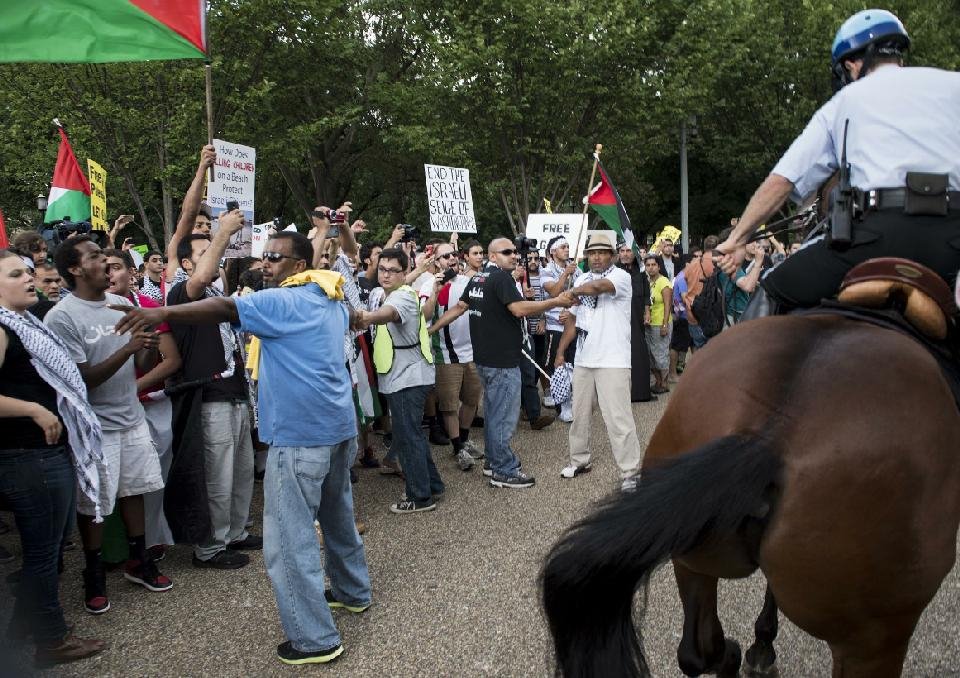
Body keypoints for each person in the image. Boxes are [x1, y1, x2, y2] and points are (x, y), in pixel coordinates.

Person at [110, 231, 370, 666]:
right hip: (338, 427)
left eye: (276, 258)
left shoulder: (284, 301)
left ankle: (314, 639)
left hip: (301, 435)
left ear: (300, 264)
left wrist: (164, 312)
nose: (265, 263)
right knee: (338, 514)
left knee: (289, 539)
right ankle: (353, 592)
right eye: (264, 256)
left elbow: (226, 307)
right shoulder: (330, 295)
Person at [716, 10, 960, 313]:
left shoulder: (846, 100)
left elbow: (782, 181)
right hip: (952, 241)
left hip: (876, 237)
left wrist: (738, 239)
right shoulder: (954, 85)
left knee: (771, 287)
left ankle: (743, 361)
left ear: (851, 64)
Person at [45, 236, 171, 614]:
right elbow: (81, 379)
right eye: (96, 257)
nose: (106, 263)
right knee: (96, 503)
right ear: (74, 268)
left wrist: (146, 345)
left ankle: (138, 561)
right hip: (94, 426)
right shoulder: (62, 317)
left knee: (134, 490)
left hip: (131, 417)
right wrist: (129, 348)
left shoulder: (122, 305)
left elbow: (144, 364)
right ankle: (94, 573)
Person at [0, 250, 106, 667]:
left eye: (28, 272)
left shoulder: (25, 324)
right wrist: (34, 409)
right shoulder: (3, 328)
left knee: (50, 548)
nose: (28, 278)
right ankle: (50, 638)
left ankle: (20, 630)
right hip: (27, 458)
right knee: (44, 554)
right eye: (15, 274)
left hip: (45, 454)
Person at [430, 238, 574, 489]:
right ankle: (503, 470)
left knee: (495, 413)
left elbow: (460, 307)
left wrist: (431, 329)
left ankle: (493, 462)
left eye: (515, 252)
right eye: (507, 252)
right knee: (503, 417)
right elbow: (518, 309)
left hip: (485, 359)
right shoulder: (500, 278)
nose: (514, 256)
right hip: (501, 361)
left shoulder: (478, 278)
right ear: (492, 256)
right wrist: (555, 302)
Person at [168, 208, 259, 570]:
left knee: (241, 470)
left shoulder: (220, 300)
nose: (216, 258)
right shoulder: (181, 293)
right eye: (206, 253)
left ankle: (234, 532)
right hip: (210, 398)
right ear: (188, 265)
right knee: (217, 476)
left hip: (236, 393)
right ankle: (209, 547)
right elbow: (204, 274)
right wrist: (222, 232)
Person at [105, 249, 182, 560]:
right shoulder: (82, 314)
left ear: (131, 273)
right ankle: (111, 551)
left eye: (115, 268)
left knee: (150, 478)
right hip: (104, 412)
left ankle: (149, 541)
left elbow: (172, 360)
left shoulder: (149, 308)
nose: (108, 274)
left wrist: (131, 389)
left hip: (149, 405)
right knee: (109, 479)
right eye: (102, 268)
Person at [356, 247, 443, 513]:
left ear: (403, 273)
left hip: (408, 378)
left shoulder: (402, 296)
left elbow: (389, 314)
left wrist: (362, 318)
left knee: (408, 437)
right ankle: (432, 486)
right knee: (411, 434)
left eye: (394, 270)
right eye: (382, 269)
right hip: (402, 375)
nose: (386, 274)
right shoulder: (387, 292)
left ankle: (419, 496)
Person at [554, 233, 643, 491]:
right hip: (583, 358)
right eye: (592, 253)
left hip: (613, 359)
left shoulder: (621, 276)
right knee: (579, 414)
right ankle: (579, 460)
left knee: (618, 418)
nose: (597, 256)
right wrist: (561, 352)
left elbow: (598, 288)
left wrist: (572, 291)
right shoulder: (581, 277)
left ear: (612, 256)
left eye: (602, 252)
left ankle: (630, 472)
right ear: (587, 256)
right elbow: (572, 319)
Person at [424, 241, 484, 471]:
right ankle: (458, 448)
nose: (451, 258)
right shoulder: (431, 285)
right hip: (445, 354)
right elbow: (425, 315)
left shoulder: (469, 282)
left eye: (453, 254)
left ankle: (465, 438)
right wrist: (434, 291)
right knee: (449, 405)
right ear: (436, 261)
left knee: (471, 400)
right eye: (445, 256)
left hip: (472, 352)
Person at [616, 243, 653, 401]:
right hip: (619, 318)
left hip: (637, 317)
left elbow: (646, 294)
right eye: (622, 251)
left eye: (628, 250)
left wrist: (647, 312)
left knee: (638, 351)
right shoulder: (614, 271)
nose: (625, 254)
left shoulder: (642, 270)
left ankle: (639, 391)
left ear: (634, 253)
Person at [644, 255, 672, 394]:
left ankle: (664, 383)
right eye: (648, 265)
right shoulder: (647, 282)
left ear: (659, 266)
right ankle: (658, 381)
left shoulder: (664, 281)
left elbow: (668, 304)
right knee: (650, 354)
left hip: (661, 323)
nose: (651, 267)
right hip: (649, 324)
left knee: (660, 354)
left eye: (653, 265)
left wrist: (665, 324)